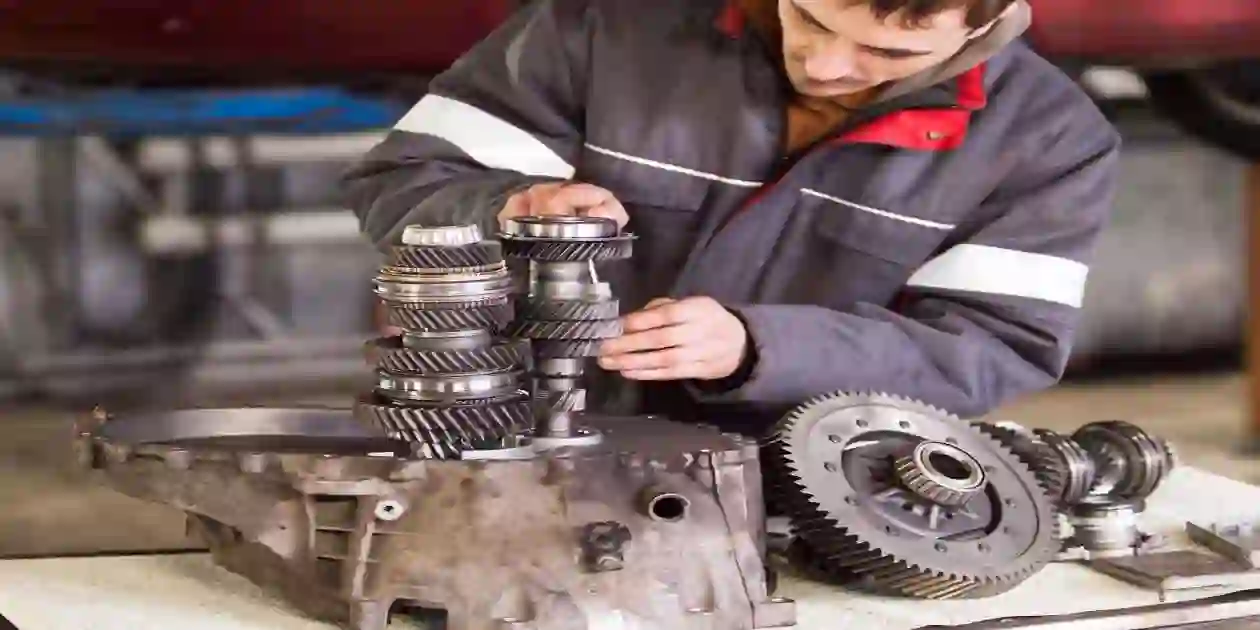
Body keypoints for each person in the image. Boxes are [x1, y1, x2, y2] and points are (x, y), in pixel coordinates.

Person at [342, 0, 1121, 434]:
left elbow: (990, 349)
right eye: (809, 18)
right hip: (495, 437)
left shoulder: (1048, 145)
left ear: (988, 22)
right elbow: (409, 176)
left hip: (797, 487)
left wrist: (758, 347)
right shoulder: (608, 25)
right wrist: (508, 204)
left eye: (885, 53)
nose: (823, 65)